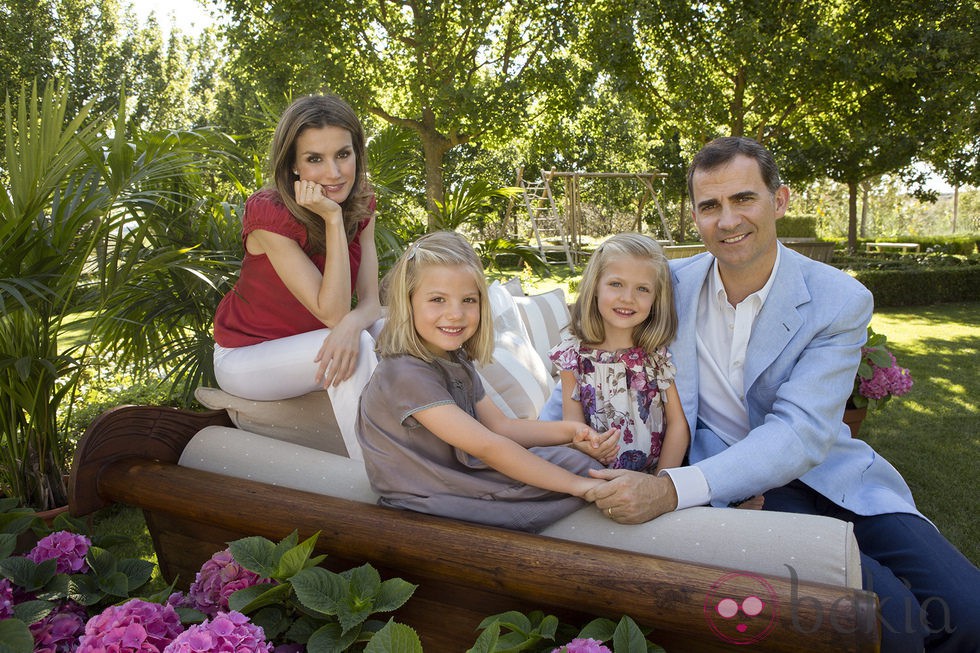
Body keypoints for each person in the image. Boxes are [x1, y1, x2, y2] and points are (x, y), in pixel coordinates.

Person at [573, 136, 979, 651]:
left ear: (779, 201)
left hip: (832, 473)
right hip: (736, 486)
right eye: (710, 206)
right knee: (888, 622)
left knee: (970, 610)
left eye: (743, 199)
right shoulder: (662, 288)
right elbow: (591, 359)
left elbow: (802, 432)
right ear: (695, 217)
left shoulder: (839, 299)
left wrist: (672, 488)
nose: (727, 220)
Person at [356, 231, 620, 532]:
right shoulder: (404, 373)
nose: (455, 314)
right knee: (581, 475)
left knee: (575, 461)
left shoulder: (455, 360)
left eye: (468, 300)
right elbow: (487, 446)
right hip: (430, 492)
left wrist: (571, 432)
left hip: (462, 472)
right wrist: (580, 487)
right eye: (437, 300)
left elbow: (501, 427)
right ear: (408, 302)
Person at [212, 95, 381, 459]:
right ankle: (379, 477)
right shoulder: (269, 215)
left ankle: (460, 437)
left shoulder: (364, 205)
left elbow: (370, 303)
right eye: (314, 159)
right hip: (247, 355)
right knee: (362, 347)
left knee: (394, 330)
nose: (334, 173)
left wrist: (352, 326)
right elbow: (333, 312)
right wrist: (333, 219)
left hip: (315, 342)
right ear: (292, 165)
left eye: (343, 154)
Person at [549, 233, 690, 475]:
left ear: (657, 299)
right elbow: (572, 429)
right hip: (594, 477)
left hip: (654, 478)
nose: (628, 298)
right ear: (595, 287)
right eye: (616, 284)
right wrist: (587, 447)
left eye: (642, 289)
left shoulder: (657, 356)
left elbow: (678, 425)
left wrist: (661, 483)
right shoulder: (573, 357)